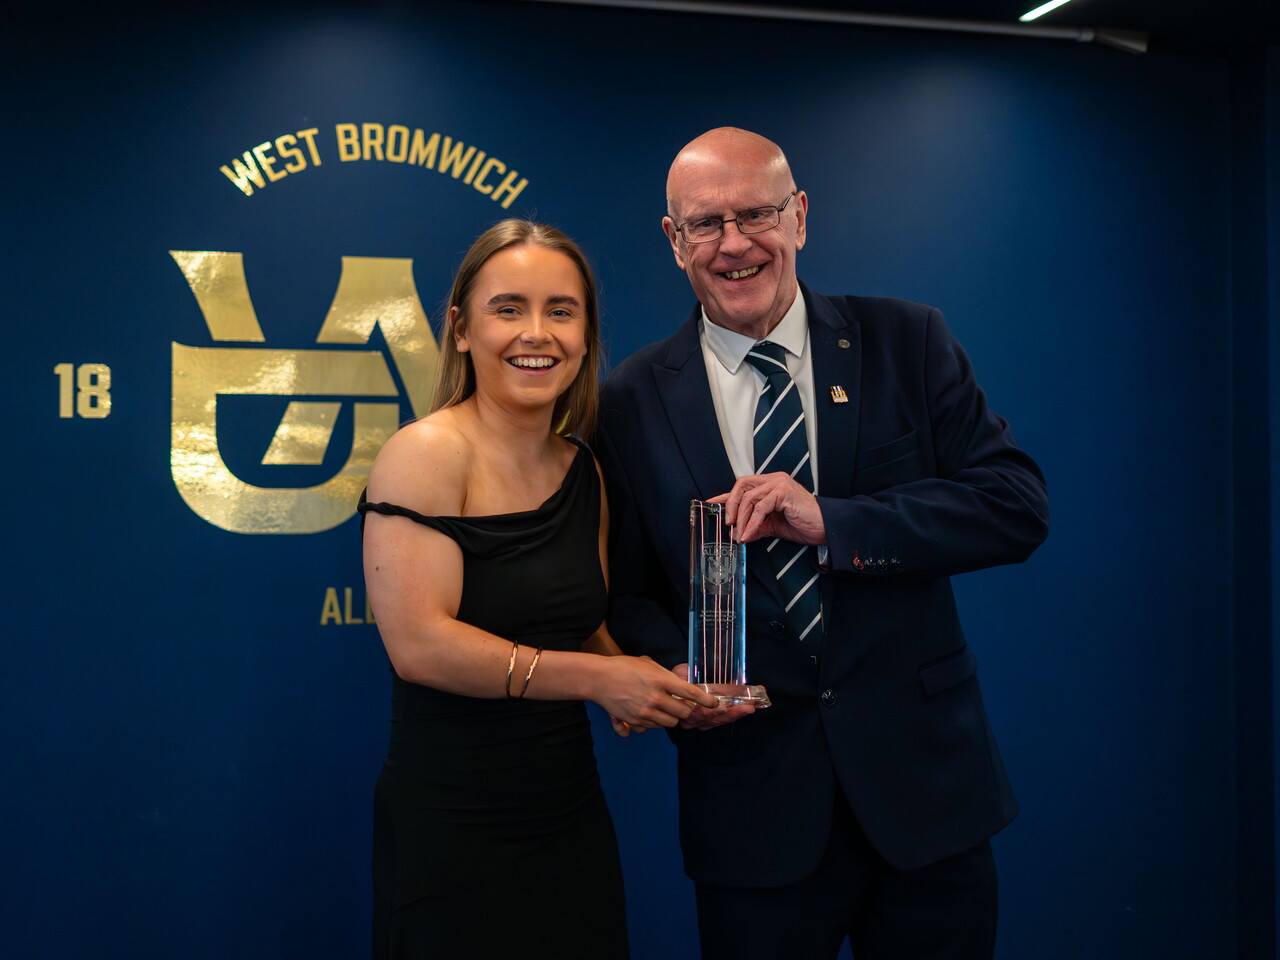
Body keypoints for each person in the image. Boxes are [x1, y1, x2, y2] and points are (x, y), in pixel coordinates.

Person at [596, 127, 1049, 958]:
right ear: (674, 240)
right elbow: (626, 593)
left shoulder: (907, 341)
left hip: (926, 800)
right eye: (706, 223)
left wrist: (834, 522)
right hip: (753, 810)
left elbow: (1013, 505)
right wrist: (676, 670)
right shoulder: (629, 399)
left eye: (757, 214)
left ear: (799, 216)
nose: (735, 244)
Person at [359, 219, 718, 959]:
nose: (538, 333)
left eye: (561, 310)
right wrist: (600, 679)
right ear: (461, 330)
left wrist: (661, 684)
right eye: (508, 308)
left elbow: (578, 623)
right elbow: (420, 646)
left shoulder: (583, 470)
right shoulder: (425, 454)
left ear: (586, 337)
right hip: (452, 827)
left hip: (569, 816)